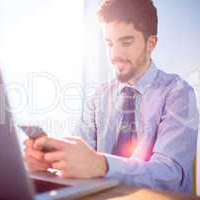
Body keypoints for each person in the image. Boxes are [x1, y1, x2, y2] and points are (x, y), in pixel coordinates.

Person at [24, 0, 199, 193]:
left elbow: (169, 176)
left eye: (126, 42)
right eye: (109, 43)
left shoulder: (179, 93)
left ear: (151, 43)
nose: (115, 54)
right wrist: (51, 161)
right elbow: (79, 158)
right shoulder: (98, 96)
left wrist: (102, 165)